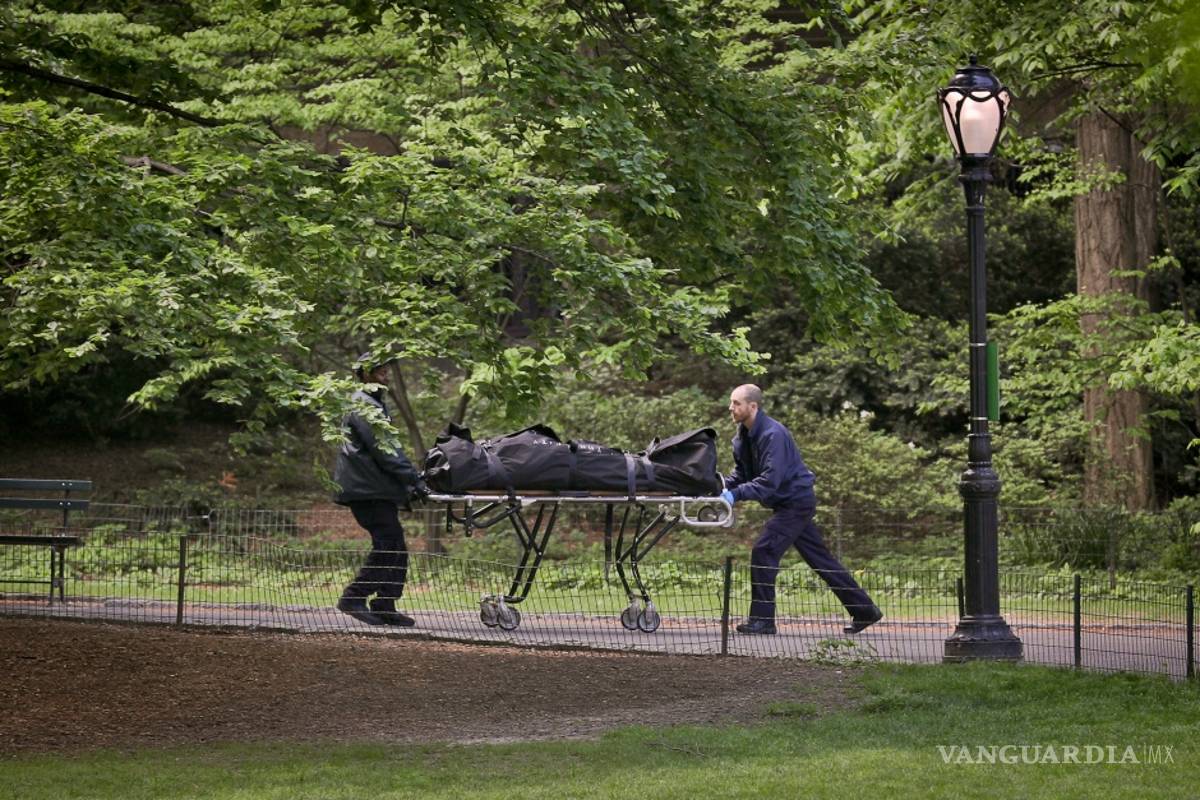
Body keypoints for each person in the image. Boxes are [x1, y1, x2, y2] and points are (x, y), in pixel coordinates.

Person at [720, 384, 882, 635]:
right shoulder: (742, 437)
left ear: (753, 406)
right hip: (786, 503)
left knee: (764, 551)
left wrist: (735, 494)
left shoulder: (773, 435)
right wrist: (720, 488)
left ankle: (763, 621)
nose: (731, 408)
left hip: (795, 503)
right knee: (821, 560)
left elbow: (769, 481)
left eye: (736, 403)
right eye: (731, 402)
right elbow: (742, 474)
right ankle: (865, 610)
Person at [332, 354, 426, 627]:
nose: (385, 372)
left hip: (373, 488)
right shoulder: (364, 405)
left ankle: (385, 603)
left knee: (396, 544)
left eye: (386, 368)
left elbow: (387, 452)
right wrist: (412, 479)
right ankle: (353, 596)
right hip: (366, 490)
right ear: (364, 374)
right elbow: (385, 451)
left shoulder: (371, 404)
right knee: (388, 543)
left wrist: (411, 480)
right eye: (378, 369)